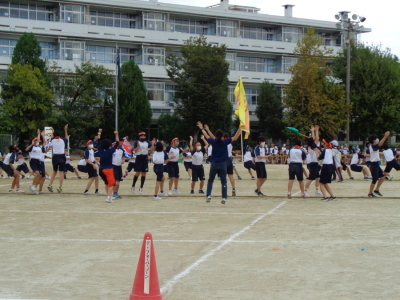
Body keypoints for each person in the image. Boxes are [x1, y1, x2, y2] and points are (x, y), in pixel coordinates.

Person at [198, 121, 241, 204]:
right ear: (222, 136)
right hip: (223, 164)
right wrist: (240, 127)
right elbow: (235, 137)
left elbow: (207, 136)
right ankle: (224, 198)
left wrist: (202, 128)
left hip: (214, 164)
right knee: (224, 181)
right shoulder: (225, 142)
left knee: (210, 180)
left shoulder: (214, 142)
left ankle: (208, 195)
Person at [367, 131, 391, 197]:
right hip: (373, 165)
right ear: (373, 140)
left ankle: (376, 190)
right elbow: (380, 144)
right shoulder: (372, 146)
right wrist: (385, 136)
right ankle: (370, 193)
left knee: (383, 177)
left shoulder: (374, 146)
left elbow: (380, 144)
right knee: (374, 179)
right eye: (376, 138)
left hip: (376, 164)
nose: (377, 139)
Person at [47, 124, 69, 193]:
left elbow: (53, 137)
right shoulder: (63, 140)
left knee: (54, 171)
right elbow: (67, 137)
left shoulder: (52, 140)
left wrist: (52, 130)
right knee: (61, 172)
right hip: (62, 156)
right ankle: (60, 187)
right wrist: (65, 129)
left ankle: (50, 184)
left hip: (55, 156)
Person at [95, 138, 117, 203]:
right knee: (111, 184)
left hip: (101, 169)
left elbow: (98, 141)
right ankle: (108, 197)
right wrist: (116, 135)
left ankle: (108, 195)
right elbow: (117, 143)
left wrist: (99, 133)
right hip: (108, 169)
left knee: (106, 183)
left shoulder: (100, 150)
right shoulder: (110, 150)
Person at [304, 126, 322, 196]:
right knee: (311, 179)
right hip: (313, 164)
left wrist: (313, 131)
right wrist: (316, 130)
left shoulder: (312, 145)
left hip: (315, 163)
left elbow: (315, 138)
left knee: (317, 178)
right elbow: (317, 138)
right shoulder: (313, 147)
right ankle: (305, 191)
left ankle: (317, 191)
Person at [112, 131, 125, 199]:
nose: (121, 144)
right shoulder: (113, 150)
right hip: (114, 166)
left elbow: (123, 156)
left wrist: (123, 160)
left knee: (118, 180)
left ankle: (116, 192)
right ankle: (114, 193)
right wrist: (117, 134)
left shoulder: (122, 150)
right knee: (115, 180)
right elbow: (117, 141)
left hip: (119, 166)